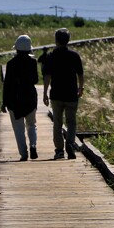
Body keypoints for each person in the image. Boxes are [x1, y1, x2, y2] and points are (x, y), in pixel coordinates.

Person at [40, 28, 84, 160]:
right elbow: (80, 74)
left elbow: (47, 76)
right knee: (71, 122)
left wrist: (45, 93)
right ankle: (70, 144)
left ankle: (59, 150)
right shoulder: (74, 56)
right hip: (71, 94)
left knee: (57, 123)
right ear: (68, 40)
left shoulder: (51, 56)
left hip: (56, 95)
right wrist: (81, 88)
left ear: (56, 40)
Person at [1, 34, 39, 161]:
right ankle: (33, 145)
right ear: (29, 49)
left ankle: (24, 153)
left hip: (14, 100)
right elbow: (35, 80)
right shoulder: (33, 62)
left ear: (16, 48)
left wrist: (4, 102)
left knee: (18, 128)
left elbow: (7, 85)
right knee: (32, 124)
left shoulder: (10, 64)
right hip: (30, 99)